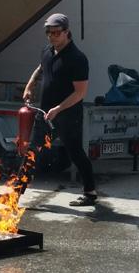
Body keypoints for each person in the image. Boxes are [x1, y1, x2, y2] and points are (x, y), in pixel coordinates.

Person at [21, 13, 97, 206]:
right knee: (32, 151)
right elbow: (41, 68)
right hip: (45, 113)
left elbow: (80, 93)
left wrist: (58, 108)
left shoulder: (77, 58)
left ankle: (90, 192)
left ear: (66, 32)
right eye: (49, 33)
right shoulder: (48, 51)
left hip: (68, 115)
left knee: (75, 153)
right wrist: (30, 85)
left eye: (56, 32)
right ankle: (14, 194)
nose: (52, 36)